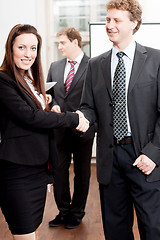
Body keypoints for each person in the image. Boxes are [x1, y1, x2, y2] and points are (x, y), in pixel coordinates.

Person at [79, 0, 160, 239]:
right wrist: (80, 118)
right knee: (115, 230)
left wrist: (153, 153)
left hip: (144, 157)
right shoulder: (95, 65)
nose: (109, 25)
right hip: (110, 159)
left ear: (133, 23)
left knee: (153, 228)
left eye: (117, 20)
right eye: (107, 19)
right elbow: (88, 107)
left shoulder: (156, 60)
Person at [0, 24, 88, 240]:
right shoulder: (3, 79)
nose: (28, 54)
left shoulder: (28, 79)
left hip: (37, 170)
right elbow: (31, 117)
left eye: (33, 48)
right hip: (17, 171)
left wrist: (47, 171)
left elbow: (35, 116)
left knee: (32, 229)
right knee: (24, 233)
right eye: (21, 47)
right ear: (10, 48)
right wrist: (73, 117)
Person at [47, 27, 95, 229]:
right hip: (58, 128)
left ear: (75, 42)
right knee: (58, 172)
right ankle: (63, 211)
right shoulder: (55, 66)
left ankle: (77, 213)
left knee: (82, 173)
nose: (59, 47)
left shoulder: (93, 65)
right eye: (58, 43)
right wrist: (52, 104)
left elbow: (96, 97)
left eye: (62, 43)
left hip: (83, 129)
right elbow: (50, 94)